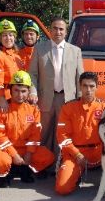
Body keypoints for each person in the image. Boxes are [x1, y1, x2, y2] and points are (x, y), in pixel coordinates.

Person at [29, 17, 84, 156]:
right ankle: (42, 164)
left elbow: (79, 77)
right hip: (45, 98)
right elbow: (32, 74)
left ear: (66, 32)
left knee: (63, 133)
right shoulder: (39, 49)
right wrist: (33, 92)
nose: (57, 32)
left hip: (67, 100)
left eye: (61, 29)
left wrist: (80, 99)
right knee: (43, 132)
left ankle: (60, 164)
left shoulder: (76, 51)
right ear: (50, 29)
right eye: (55, 28)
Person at [55, 72, 105, 195]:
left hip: (99, 153)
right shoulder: (68, 108)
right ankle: (76, 173)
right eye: (85, 86)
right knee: (62, 189)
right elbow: (62, 136)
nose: (88, 90)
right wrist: (77, 155)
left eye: (92, 86)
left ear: (97, 87)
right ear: (79, 87)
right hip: (75, 153)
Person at [0, 70, 54, 186]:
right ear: (10, 90)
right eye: (16, 90)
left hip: (26, 150)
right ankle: (9, 171)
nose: (20, 95)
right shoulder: (1, 109)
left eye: (23, 91)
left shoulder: (34, 109)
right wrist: (14, 155)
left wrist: (29, 154)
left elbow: (35, 134)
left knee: (48, 157)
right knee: (0, 158)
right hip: (8, 150)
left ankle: (23, 168)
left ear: (28, 92)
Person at [0, 19, 24, 115]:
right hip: (3, 100)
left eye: (11, 35)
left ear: (15, 37)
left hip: (17, 97)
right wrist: (1, 98)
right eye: (4, 35)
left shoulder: (17, 56)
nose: (8, 38)